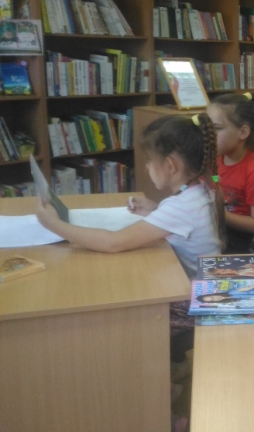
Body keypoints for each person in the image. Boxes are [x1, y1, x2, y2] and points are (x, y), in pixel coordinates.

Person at [35, 112, 224, 368]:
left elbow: (114, 243)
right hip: (204, 285)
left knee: (120, 322)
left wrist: (54, 225)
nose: (146, 167)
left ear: (170, 166)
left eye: (149, 161)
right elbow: (184, 223)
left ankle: (155, 383)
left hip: (194, 302)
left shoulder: (181, 207)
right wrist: (156, 210)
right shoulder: (201, 188)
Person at [208, 92, 254, 253]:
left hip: (233, 243)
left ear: (243, 132)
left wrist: (216, 212)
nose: (209, 135)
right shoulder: (216, 160)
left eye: (217, 128)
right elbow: (216, 180)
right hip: (212, 230)